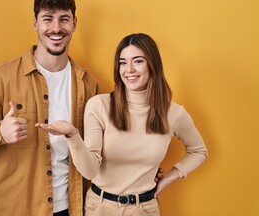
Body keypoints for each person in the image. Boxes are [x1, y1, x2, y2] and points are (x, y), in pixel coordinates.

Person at [0, 0, 98, 216]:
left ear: (74, 23)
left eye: (64, 19)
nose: (56, 28)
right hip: (16, 208)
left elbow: (96, 149)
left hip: (70, 207)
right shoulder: (1, 78)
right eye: (47, 19)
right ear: (35, 23)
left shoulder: (88, 84)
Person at [36, 33, 208, 216]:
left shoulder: (173, 113)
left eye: (138, 61)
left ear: (153, 64)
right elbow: (89, 170)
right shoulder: (99, 105)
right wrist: (72, 135)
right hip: (99, 207)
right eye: (123, 62)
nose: (129, 69)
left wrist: (168, 178)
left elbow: (199, 151)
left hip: (144, 209)